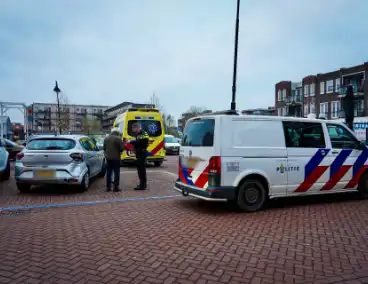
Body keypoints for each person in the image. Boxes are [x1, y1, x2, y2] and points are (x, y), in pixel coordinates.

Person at [103, 128, 124, 192]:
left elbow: (104, 148)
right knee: (116, 173)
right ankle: (115, 187)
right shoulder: (118, 138)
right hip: (116, 158)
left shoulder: (106, 138)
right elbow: (121, 149)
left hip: (108, 158)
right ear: (117, 132)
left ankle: (108, 187)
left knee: (109, 172)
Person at [130, 122, 149, 190]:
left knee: (141, 170)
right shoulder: (139, 134)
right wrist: (134, 148)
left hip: (142, 153)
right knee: (139, 169)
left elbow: (141, 142)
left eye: (134, 128)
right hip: (139, 153)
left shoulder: (143, 133)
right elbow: (138, 142)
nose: (133, 130)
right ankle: (142, 184)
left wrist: (131, 141)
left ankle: (142, 185)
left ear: (137, 127)